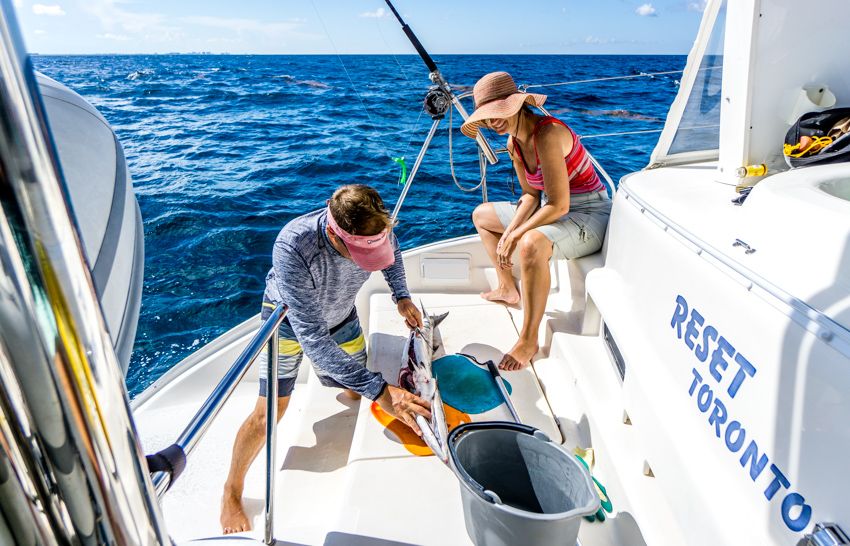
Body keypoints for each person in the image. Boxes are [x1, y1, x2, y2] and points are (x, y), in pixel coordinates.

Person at [220, 184, 430, 534]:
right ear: (336, 233)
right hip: (286, 325)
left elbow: (392, 255)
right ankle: (231, 491)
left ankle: (352, 388)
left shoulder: (375, 226)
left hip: (343, 316)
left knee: (353, 389)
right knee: (270, 410)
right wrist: (382, 391)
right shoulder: (294, 246)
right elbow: (313, 340)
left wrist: (402, 296)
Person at [461, 71, 611, 371]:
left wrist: (517, 235)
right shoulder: (514, 144)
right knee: (482, 215)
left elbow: (559, 204)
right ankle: (507, 287)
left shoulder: (548, 133)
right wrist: (510, 230)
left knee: (530, 244)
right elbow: (530, 195)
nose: (493, 122)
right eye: (488, 117)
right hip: (551, 207)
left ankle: (528, 340)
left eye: (498, 113)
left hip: (590, 212)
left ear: (518, 104)